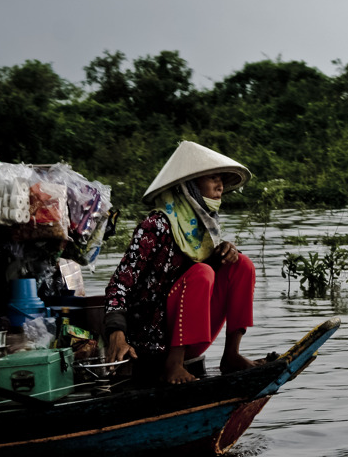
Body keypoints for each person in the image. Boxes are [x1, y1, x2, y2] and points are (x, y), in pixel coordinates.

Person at [104, 141, 258, 384]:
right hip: (150, 340)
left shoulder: (203, 229)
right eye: (213, 179)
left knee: (242, 264)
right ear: (190, 186)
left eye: (221, 180)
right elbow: (118, 286)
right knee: (202, 273)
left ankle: (231, 355)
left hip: (187, 336)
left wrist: (225, 255)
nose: (220, 187)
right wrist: (116, 333)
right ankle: (173, 366)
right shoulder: (155, 225)